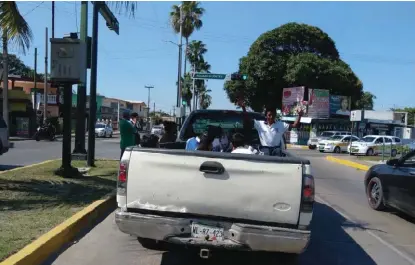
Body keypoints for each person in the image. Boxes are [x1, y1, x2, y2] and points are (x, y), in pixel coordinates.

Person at [238, 99, 303, 156]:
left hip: (276, 150)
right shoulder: (260, 124)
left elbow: (295, 125)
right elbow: (247, 120)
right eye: (269, 115)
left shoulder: (281, 125)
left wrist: (299, 115)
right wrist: (243, 107)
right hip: (264, 150)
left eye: (273, 115)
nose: (271, 117)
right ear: (266, 115)